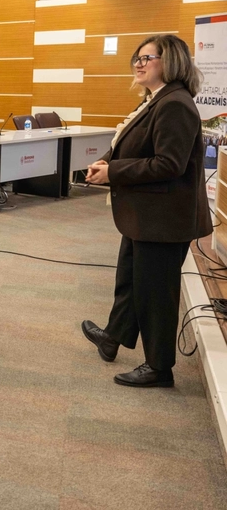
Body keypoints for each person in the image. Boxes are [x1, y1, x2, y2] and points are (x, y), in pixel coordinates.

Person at [82, 35, 212, 388]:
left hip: (163, 218)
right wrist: (106, 162)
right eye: (136, 59)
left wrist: (114, 172)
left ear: (171, 62)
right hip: (145, 215)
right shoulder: (156, 100)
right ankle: (113, 336)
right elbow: (130, 144)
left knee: (155, 293)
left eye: (147, 58)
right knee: (130, 279)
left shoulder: (175, 104)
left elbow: (168, 164)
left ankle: (159, 367)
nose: (138, 64)